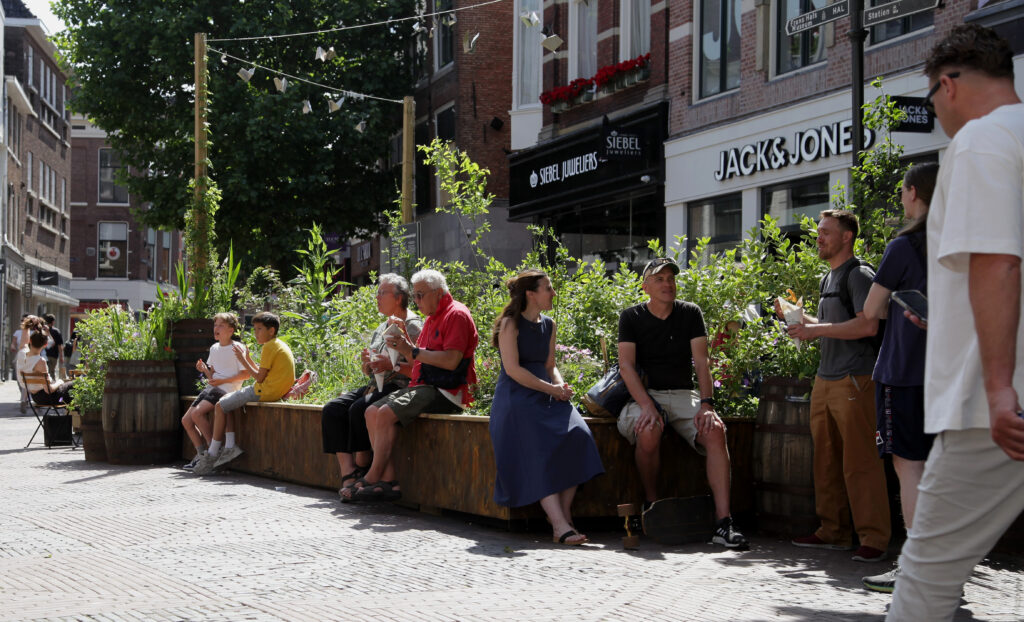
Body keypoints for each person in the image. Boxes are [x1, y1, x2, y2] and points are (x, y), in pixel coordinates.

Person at [887, 25, 1024, 621]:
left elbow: (996, 262)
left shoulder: (978, 143)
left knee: (926, 582)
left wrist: (997, 390)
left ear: (948, 84)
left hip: (991, 409)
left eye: (932, 99)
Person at [779, 210, 890, 563]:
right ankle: (833, 531)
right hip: (826, 379)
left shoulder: (859, 275)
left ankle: (874, 538)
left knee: (861, 462)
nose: (819, 238)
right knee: (825, 461)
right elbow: (831, 324)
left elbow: (868, 326)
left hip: (855, 379)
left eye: (826, 232)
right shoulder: (830, 277)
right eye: (819, 232)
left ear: (847, 237)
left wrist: (816, 330)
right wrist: (799, 320)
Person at [617, 257, 748, 549]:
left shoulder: (690, 313)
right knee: (648, 428)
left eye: (671, 279)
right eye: (660, 279)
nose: (668, 284)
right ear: (645, 286)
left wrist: (707, 404)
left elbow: (702, 362)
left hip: (684, 394)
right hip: (645, 395)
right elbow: (626, 366)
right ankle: (652, 505)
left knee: (715, 430)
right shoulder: (631, 316)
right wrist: (648, 405)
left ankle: (723, 522)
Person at [858, 163, 939, 593]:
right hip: (950, 374)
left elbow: (871, 310)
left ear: (912, 194)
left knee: (910, 468)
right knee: (940, 471)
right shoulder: (958, 240)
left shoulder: (904, 246)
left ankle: (914, 569)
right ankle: (942, 568)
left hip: (904, 371)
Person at [489, 270, 605, 545]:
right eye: (548, 288)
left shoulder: (549, 324)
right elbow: (514, 370)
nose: (553, 293)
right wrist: (551, 389)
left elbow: (550, 367)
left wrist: (561, 387)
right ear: (531, 294)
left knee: (580, 436)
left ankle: (562, 516)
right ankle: (560, 525)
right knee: (536, 447)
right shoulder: (510, 324)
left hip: (546, 393)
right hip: (516, 398)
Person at [353, 269, 478, 502]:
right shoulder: (431, 318)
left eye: (420, 295)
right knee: (370, 411)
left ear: (438, 293)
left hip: (447, 390)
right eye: (415, 295)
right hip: (425, 385)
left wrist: (410, 350)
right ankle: (389, 481)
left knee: (384, 412)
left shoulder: (456, 314)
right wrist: (402, 346)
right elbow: (415, 359)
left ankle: (373, 475)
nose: (416, 301)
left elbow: (451, 361)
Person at [329, 274, 423, 502]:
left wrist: (390, 365)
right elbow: (370, 371)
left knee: (359, 408)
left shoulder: (412, 326)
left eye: (382, 293)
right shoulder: (382, 326)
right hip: (376, 384)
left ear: (399, 298)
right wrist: (366, 364)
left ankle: (364, 467)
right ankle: (348, 474)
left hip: (398, 385)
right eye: (377, 292)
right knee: (332, 409)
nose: (377, 297)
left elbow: (417, 366)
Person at [192, 312, 295, 475]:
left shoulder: (269, 346)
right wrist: (247, 358)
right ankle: (229, 446)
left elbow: (259, 378)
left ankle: (213, 453)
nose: (256, 333)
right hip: (271, 389)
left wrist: (243, 358)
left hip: (264, 391)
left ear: (271, 330)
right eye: (254, 329)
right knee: (226, 403)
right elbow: (262, 373)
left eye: (259, 329)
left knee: (220, 405)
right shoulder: (276, 344)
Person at [181, 313, 253, 470]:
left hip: (226, 389)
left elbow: (246, 374)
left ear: (231, 330)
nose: (216, 328)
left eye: (221, 325)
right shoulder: (214, 348)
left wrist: (221, 381)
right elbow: (213, 376)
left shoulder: (237, 348)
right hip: (213, 388)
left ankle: (213, 452)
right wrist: (204, 370)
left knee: (197, 414)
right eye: (215, 325)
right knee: (186, 421)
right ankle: (202, 455)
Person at [17, 332, 76, 406]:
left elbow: (23, 343)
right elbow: (49, 390)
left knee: (71, 385)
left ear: (30, 341)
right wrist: (60, 382)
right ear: (45, 345)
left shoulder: (22, 354)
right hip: (48, 397)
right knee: (76, 384)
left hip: (35, 396)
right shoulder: (40, 361)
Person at [43, 314, 65, 380]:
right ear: (53, 322)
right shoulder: (56, 331)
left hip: (43, 354)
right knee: (52, 371)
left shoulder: (42, 330)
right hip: (54, 355)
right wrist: (61, 356)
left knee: (45, 371)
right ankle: (52, 384)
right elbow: (59, 345)